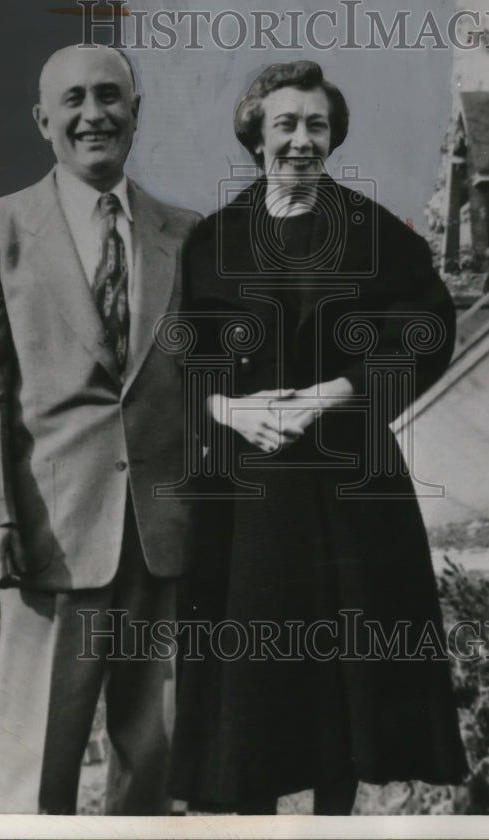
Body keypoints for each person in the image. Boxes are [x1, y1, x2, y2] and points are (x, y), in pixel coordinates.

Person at [170, 60, 468, 815]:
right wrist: (225, 410)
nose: (302, 141)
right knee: (254, 684)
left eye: (317, 125)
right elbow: (182, 356)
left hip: (350, 491)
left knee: (344, 686)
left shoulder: (377, 232)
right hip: (249, 497)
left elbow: (429, 330)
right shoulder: (211, 240)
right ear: (256, 135)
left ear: (332, 136)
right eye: (286, 124)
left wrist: (339, 392)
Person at [0, 44, 200, 814]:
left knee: (150, 752)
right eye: (76, 100)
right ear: (43, 119)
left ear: (135, 111)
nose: (95, 115)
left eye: (111, 97)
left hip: (161, 537)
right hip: (52, 536)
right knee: (37, 761)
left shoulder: (185, 233)